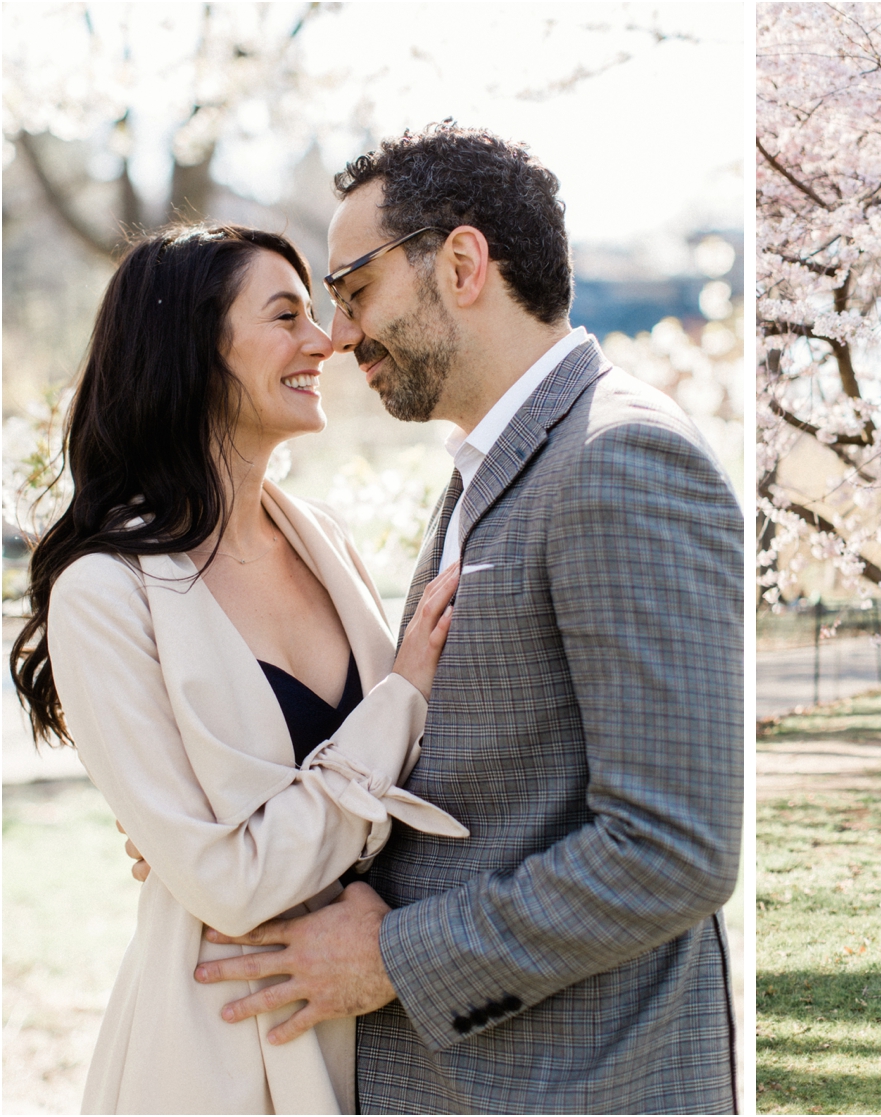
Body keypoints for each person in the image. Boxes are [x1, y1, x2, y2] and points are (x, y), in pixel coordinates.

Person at [187, 124, 745, 1114]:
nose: (343, 332)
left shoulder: (619, 462)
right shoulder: (496, 467)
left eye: (354, 289)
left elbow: (674, 849)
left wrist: (396, 957)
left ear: (461, 262)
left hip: (575, 1084)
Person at [8, 225, 469, 1114]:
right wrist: (400, 696)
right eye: (286, 315)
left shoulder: (323, 539)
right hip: (224, 1049)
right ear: (193, 350)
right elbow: (232, 880)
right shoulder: (106, 594)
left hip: (382, 1039)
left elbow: (411, 791)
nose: (327, 340)